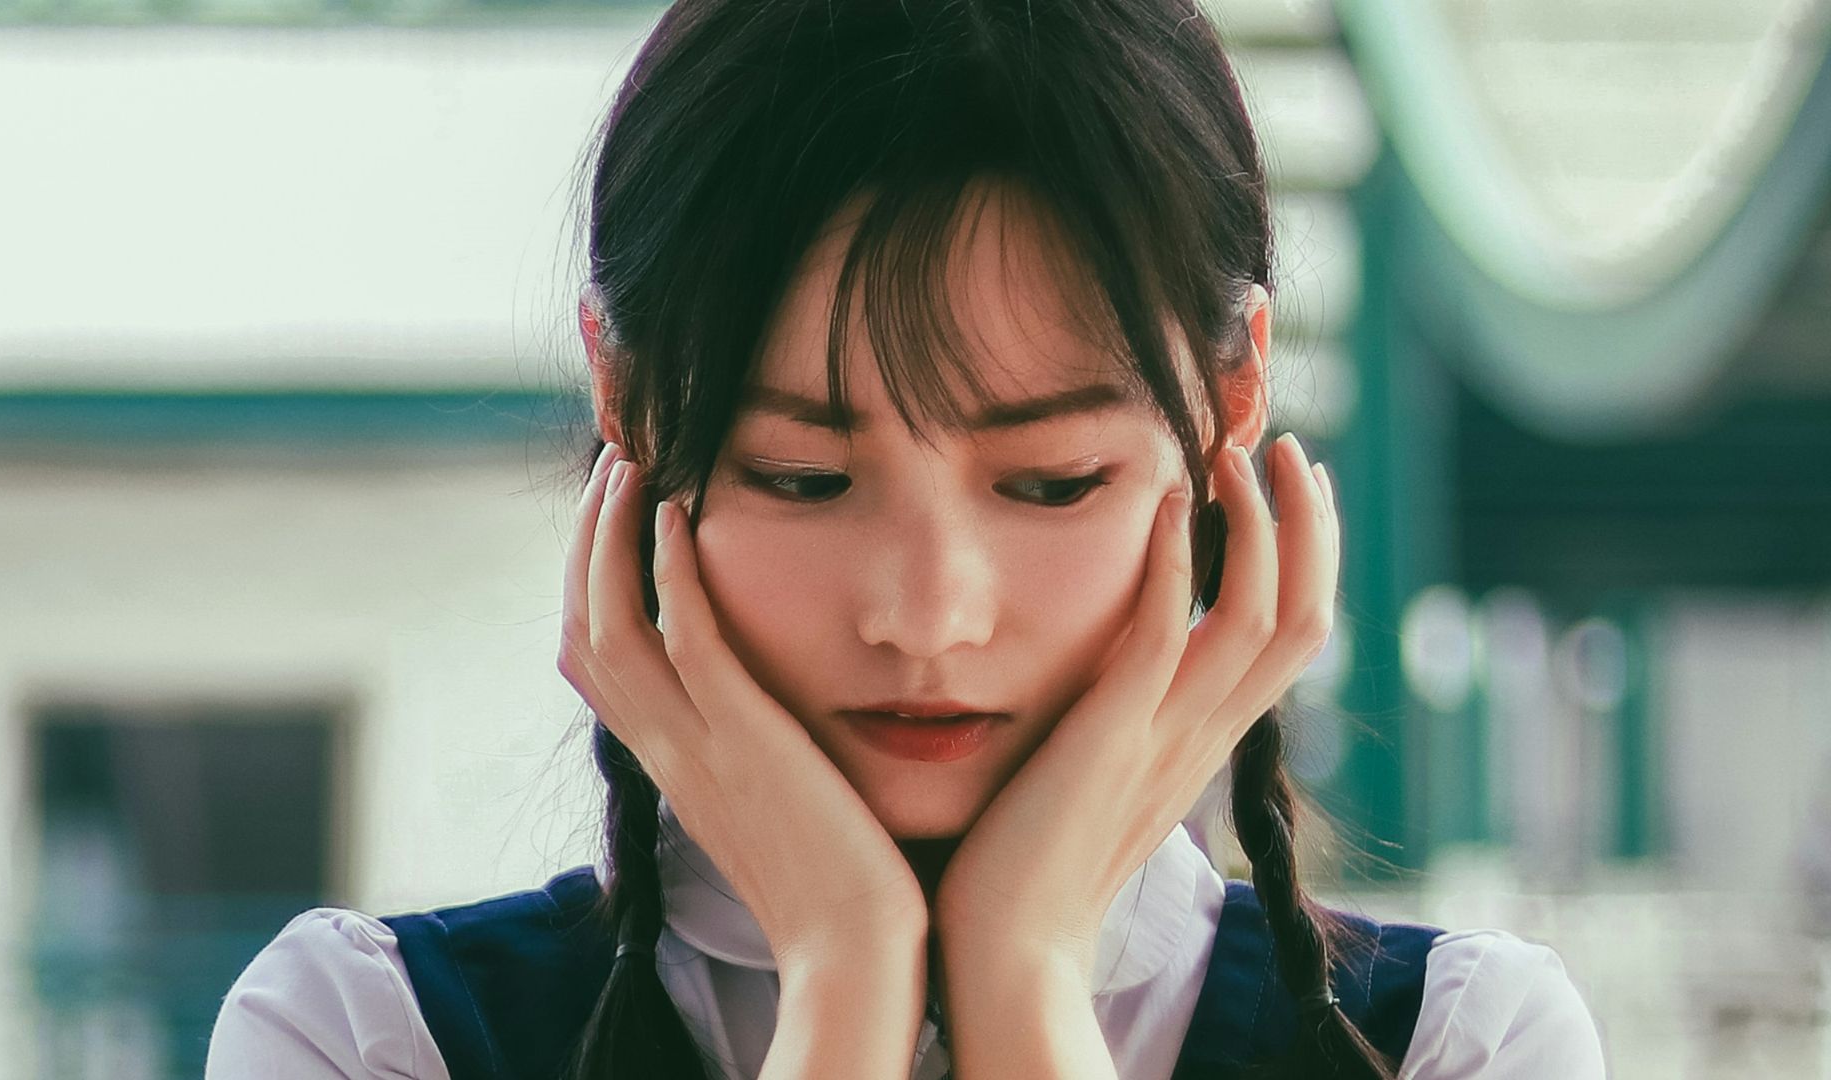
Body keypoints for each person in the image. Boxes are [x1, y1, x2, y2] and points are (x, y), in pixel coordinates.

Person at [205, 0, 1608, 1077]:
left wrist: (1030, 975)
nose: (928, 617)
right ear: (624, 406)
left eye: (1051, 482)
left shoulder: (1461, 1048)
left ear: (1234, 398)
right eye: (806, 477)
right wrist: (842, 975)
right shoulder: (369, 1038)